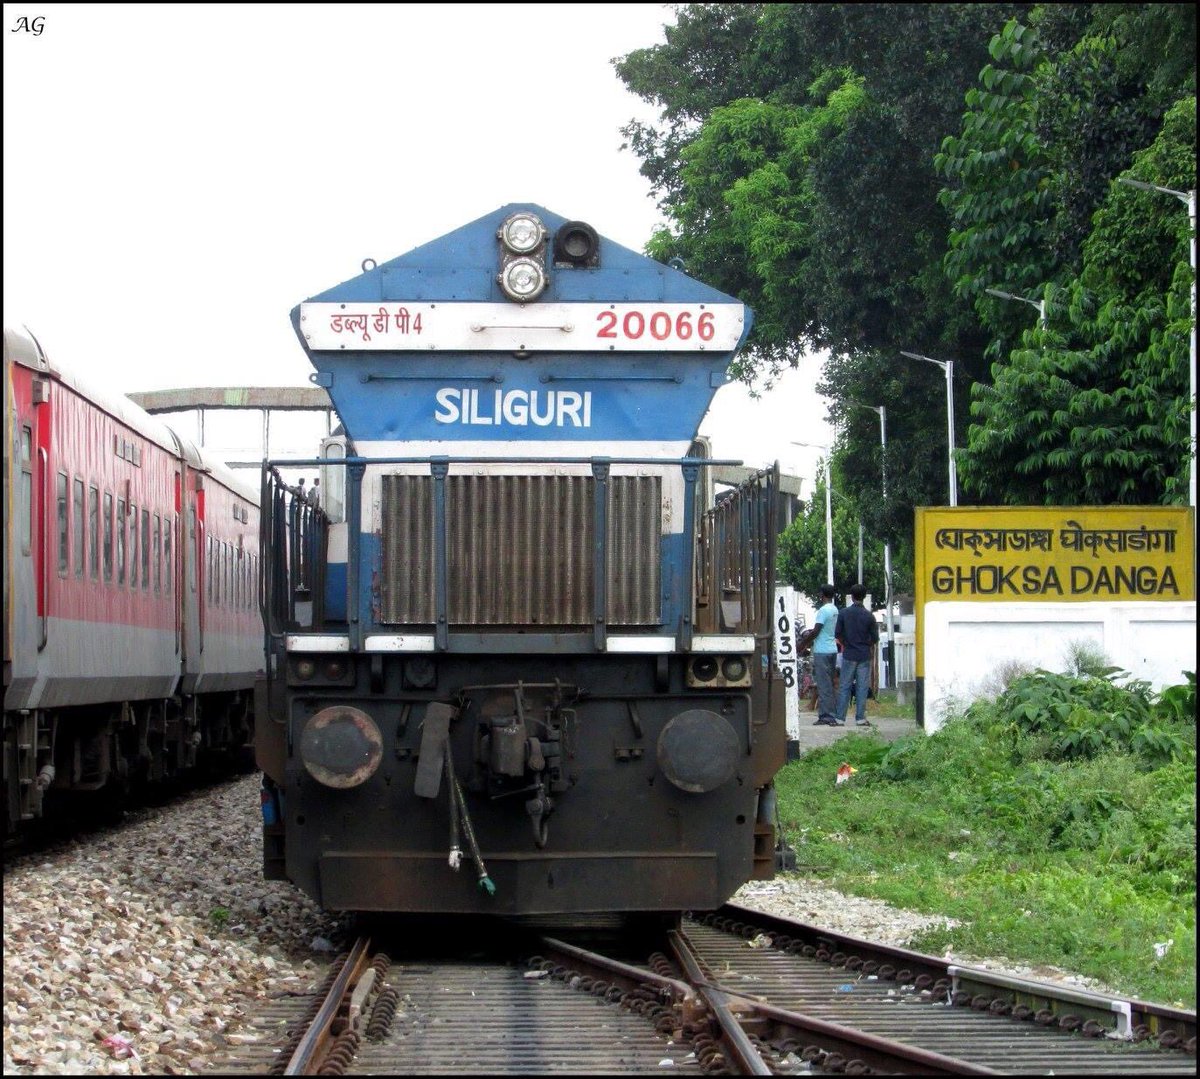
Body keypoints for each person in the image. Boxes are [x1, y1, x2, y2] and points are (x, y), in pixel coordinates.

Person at [835, 583, 880, 726]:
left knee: (844, 686)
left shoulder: (843, 613)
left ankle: (840, 718)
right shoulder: (869, 616)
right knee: (862, 687)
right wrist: (866, 645)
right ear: (864, 597)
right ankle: (860, 718)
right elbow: (875, 638)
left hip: (849, 654)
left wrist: (846, 644)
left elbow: (838, 634)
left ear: (852, 596)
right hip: (864, 655)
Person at [798, 584, 840, 726]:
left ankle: (826, 716)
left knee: (823, 684)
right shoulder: (835, 610)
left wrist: (802, 643)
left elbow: (816, 631)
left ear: (822, 594)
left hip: (822, 650)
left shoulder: (823, 611)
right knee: (830, 683)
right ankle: (832, 713)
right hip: (832, 649)